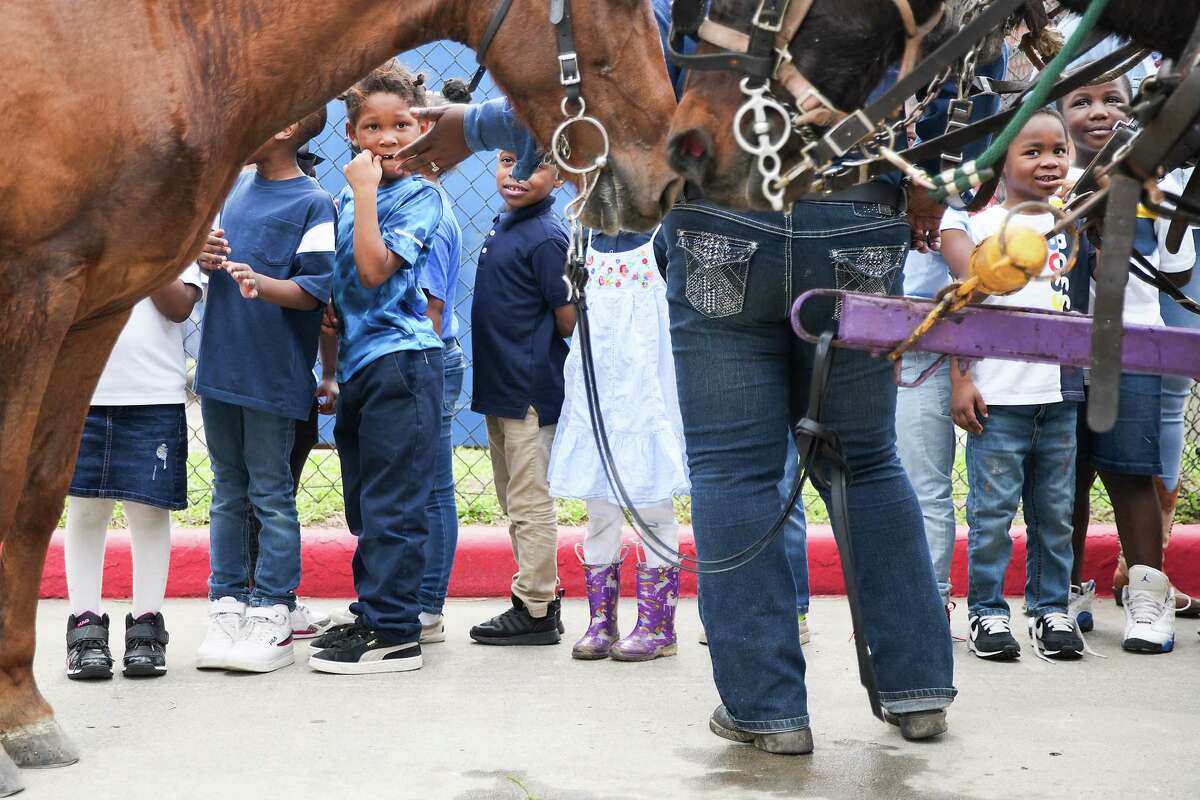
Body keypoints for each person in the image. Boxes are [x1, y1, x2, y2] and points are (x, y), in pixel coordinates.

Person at [397, 0, 957, 752]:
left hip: (725, 222)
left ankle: (768, 711)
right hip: (854, 219)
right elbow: (952, 71)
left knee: (735, 473)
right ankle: (916, 692)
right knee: (865, 459)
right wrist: (931, 185)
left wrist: (475, 127)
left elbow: (614, 71)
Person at [306, 62, 445, 674]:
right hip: (363, 365)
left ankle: (396, 634)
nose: (388, 138)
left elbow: (374, 269)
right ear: (352, 136)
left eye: (401, 125)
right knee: (365, 502)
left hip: (402, 362)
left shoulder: (421, 195)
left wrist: (363, 195)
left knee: (393, 502)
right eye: (373, 126)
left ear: (422, 130)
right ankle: (375, 609)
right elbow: (347, 283)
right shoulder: (346, 197)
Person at [193, 107, 335, 674]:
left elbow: (315, 288)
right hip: (220, 373)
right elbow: (211, 265)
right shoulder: (236, 191)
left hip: (273, 378)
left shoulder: (315, 203)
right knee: (227, 492)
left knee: (271, 496)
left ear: (282, 129)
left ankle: (273, 610)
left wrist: (264, 283)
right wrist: (205, 260)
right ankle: (227, 603)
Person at [941, 107, 1086, 662]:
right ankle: (988, 613)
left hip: (1062, 393)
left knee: (1054, 515)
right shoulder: (976, 227)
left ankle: (1051, 611)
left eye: (1058, 151)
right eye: (1032, 151)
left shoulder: (1074, 219)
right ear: (1000, 163)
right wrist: (961, 380)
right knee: (992, 517)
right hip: (998, 397)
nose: (1049, 161)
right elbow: (960, 306)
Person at [1059, 78, 1195, 653]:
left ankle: (1147, 594)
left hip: (1132, 344)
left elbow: (1178, 272)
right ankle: (1060, 593)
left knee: (1131, 470)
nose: (1100, 112)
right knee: (1061, 478)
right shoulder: (1045, 179)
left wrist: (1160, 201)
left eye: (1114, 101)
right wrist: (1092, 190)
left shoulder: (1159, 185)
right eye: (1081, 102)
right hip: (1058, 349)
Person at [895, 50, 1008, 624]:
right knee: (919, 479)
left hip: (969, 344)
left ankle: (948, 600)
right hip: (906, 341)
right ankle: (923, 601)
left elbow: (970, 287)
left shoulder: (976, 205)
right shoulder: (885, 171)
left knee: (978, 490)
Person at [548, 226, 689, 661]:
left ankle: (657, 625)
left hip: (644, 394)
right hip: (597, 392)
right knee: (600, 509)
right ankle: (600, 622)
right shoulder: (583, 236)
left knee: (652, 506)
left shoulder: (662, 237)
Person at [63, 267, 203, 679]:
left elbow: (178, 306)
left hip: (153, 390)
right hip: (81, 389)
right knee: (86, 510)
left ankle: (146, 627)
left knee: (149, 510)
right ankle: (85, 626)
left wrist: (145, 247)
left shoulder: (176, 229)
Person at [467, 150, 572, 646]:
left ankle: (536, 608)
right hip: (499, 388)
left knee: (530, 501)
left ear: (560, 175)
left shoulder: (548, 237)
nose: (517, 175)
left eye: (537, 166)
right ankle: (535, 596)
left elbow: (567, 316)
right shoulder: (505, 223)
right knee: (513, 498)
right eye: (509, 160)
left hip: (529, 390)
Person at [414, 78, 470, 643]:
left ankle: (427, 605)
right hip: (419, 358)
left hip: (428, 359)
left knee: (432, 484)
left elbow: (429, 309)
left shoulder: (427, 210)